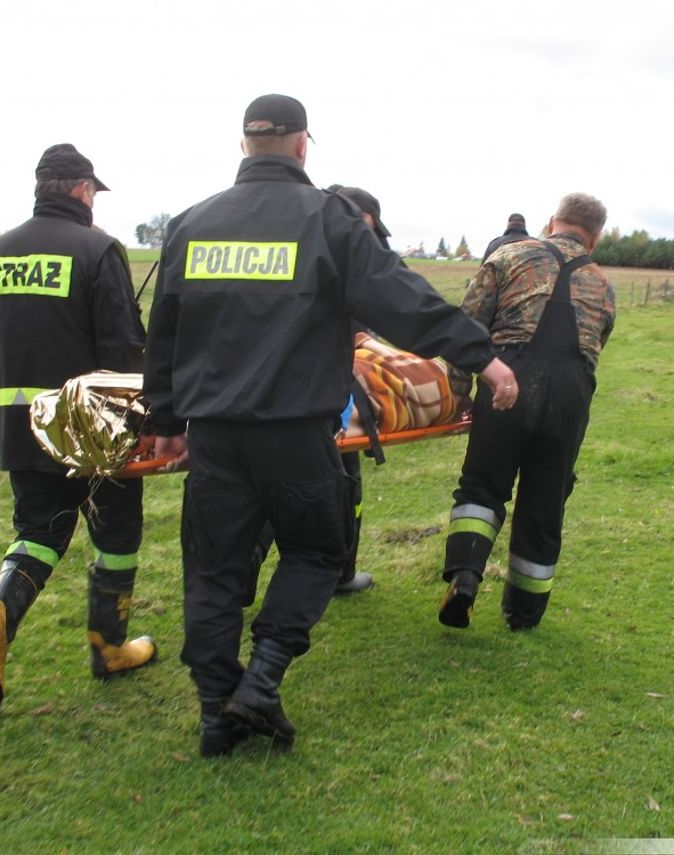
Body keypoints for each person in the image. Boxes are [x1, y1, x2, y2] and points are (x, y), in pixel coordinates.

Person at [142, 94, 518, 757]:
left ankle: (214, 712)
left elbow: (164, 333)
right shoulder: (326, 219)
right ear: (302, 145)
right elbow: (404, 301)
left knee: (213, 570)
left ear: (243, 145)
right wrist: (481, 357)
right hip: (295, 432)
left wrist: (166, 418)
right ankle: (258, 682)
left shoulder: (191, 223)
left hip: (215, 437)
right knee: (318, 551)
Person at [0, 144, 157, 714]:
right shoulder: (99, 250)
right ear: (81, 190)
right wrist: (148, 417)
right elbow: (123, 347)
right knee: (117, 533)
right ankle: (110, 647)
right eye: (93, 193)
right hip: (95, 428)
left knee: (38, 533)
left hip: (22, 428)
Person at [439, 193, 615, 632]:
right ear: (596, 237)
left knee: (482, 486)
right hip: (571, 392)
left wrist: (459, 392)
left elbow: (468, 325)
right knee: (545, 501)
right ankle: (524, 615)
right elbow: (598, 343)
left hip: (508, 379)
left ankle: (465, 577)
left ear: (552, 220)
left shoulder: (508, 256)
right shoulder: (602, 283)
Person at [245, 184, 392, 598]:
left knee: (306, 481)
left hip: (290, 386)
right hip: (324, 390)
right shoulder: (334, 251)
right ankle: (332, 571)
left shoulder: (294, 240)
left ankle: (262, 560)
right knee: (324, 482)